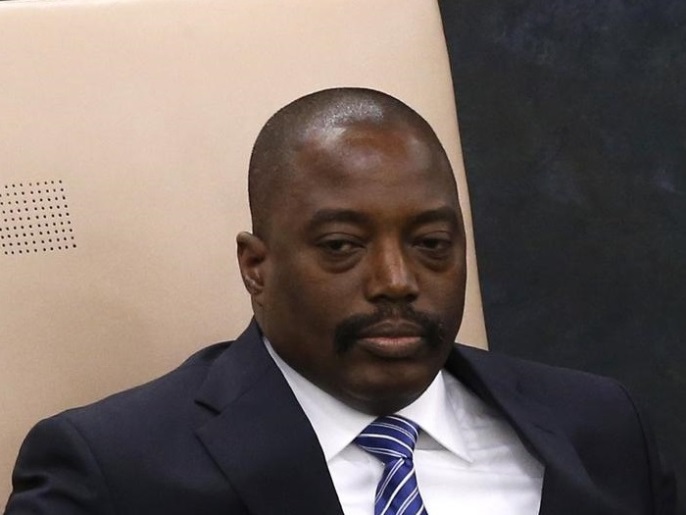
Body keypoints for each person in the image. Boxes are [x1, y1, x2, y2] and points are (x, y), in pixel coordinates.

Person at [4, 88, 681, 515]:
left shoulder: (601, 425)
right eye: (340, 246)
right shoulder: (113, 469)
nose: (396, 279)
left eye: (432, 243)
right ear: (256, 267)